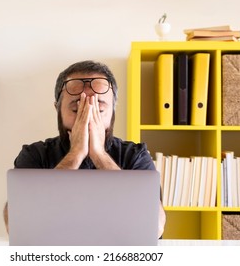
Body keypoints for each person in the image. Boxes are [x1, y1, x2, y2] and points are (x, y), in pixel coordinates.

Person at [11, 60, 166, 237]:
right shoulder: (34, 155)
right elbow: (18, 225)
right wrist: (75, 154)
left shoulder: (135, 156)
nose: (87, 118)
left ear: (113, 111)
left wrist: (99, 155)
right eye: (77, 108)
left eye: (98, 109)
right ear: (58, 109)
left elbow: (155, 227)